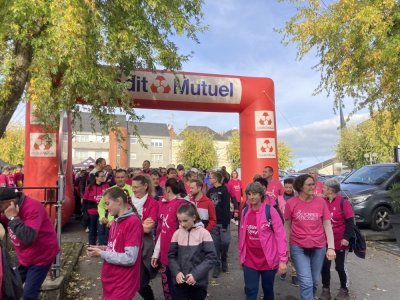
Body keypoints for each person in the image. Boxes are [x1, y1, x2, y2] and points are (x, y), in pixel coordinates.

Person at [0, 187, 59, 300]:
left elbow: (28, 237)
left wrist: (13, 218)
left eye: (0, 208)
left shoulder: (33, 207)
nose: (1, 213)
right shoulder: (6, 208)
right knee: (10, 286)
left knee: (29, 295)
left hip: (41, 257)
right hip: (24, 256)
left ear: (10, 203)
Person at [284, 174, 336, 300]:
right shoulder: (291, 203)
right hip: (298, 246)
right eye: (309, 184)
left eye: (313, 184)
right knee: (306, 281)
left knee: (314, 281)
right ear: (300, 187)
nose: (313, 187)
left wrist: (331, 247)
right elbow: (287, 226)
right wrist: (286, 249)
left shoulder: (321, 202)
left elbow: (327, 224)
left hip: (319, 246)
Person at [87, 188, 143, 300]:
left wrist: (102, 254)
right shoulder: (116, 221)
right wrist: (101, 248)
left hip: (122, 284)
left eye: (108, 204)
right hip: (111, 282)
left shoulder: (132, 222)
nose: (106, 208)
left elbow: (130, 258)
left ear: (118, 201)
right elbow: (115, 248)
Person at [239, 182, 288, 300]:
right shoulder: (245, 212)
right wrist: (242, 256)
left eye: (255, 194)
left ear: (261, 195)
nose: (252, 197)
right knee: (250, 290)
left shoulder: (270, 211)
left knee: (268, 290)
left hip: (268, 260)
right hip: (250, 259)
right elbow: (242, 236)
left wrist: (282, 259)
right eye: (249, 194)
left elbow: (280, 236)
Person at [168, 203, 217, 300]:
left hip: (198, 282)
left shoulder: (204, 233)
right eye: (180, 221)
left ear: (194, 217)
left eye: (185, 220)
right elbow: (171, 256)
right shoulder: (177, 234)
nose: (182, 224)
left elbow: (211, 257)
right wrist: (177, 272)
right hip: (180, 282)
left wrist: (196, 274)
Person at [151, 178, 188, 299]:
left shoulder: (181, 204)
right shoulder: (164, 204)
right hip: (165, 256)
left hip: (178, 258)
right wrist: (156, 253)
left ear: (168, 189)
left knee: (178, 290)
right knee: (167, 290)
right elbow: (163, 231)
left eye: (164, 189)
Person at [319, 179, 355, 300]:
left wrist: (346, 237)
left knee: (340, 266)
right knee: (324, 265)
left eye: (324, 188)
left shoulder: (343, 202)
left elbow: (350, 221)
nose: (322, 189)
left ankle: (344, 290)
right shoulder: (323, 201)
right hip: (325, 241)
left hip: (340, 240)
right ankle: (325, 289)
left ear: (330, 190)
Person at [97, 169, 133, 245]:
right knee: (110, 246)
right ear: (115, 178)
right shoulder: (109, 191)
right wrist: (102, 217)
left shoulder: (132, 190)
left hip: (126, 224)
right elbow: (101, 206)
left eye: (122, 177)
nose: (120, 179)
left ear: (126, 178)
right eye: (118, 177)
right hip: (110, 225)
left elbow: (134, 208)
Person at [206, 171, 231, 278]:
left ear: (216, 179)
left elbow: (226, 207)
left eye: (210, 178)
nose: (209, 179)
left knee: (225, 243)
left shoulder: (224, 190)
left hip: (223, 222)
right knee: (215, 246)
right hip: (213, 223)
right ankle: (217, 265)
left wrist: (225, 224)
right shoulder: (210, 191)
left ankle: (224, 258)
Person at [277, 177, 298, 285]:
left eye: (290, 187)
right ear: (283, 187)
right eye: (286, 187)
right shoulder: (279, 198)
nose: (288, 189)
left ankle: (294, 272)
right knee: (283, 249)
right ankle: (283, 267)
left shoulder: (297, 198)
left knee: (294, 250)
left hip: (294, 228)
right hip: (281, 228)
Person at [82, 170, 109, 245]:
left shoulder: (106, 186)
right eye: (101, 176)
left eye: (104, 176)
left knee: (101, 230)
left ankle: (101, 246)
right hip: (92, 212)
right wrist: (84, 212)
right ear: (96, 177)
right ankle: (91, 246)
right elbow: (85, 200)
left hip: (102, 213)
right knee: (92, 230)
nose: (103, 178)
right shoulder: (90, 187)